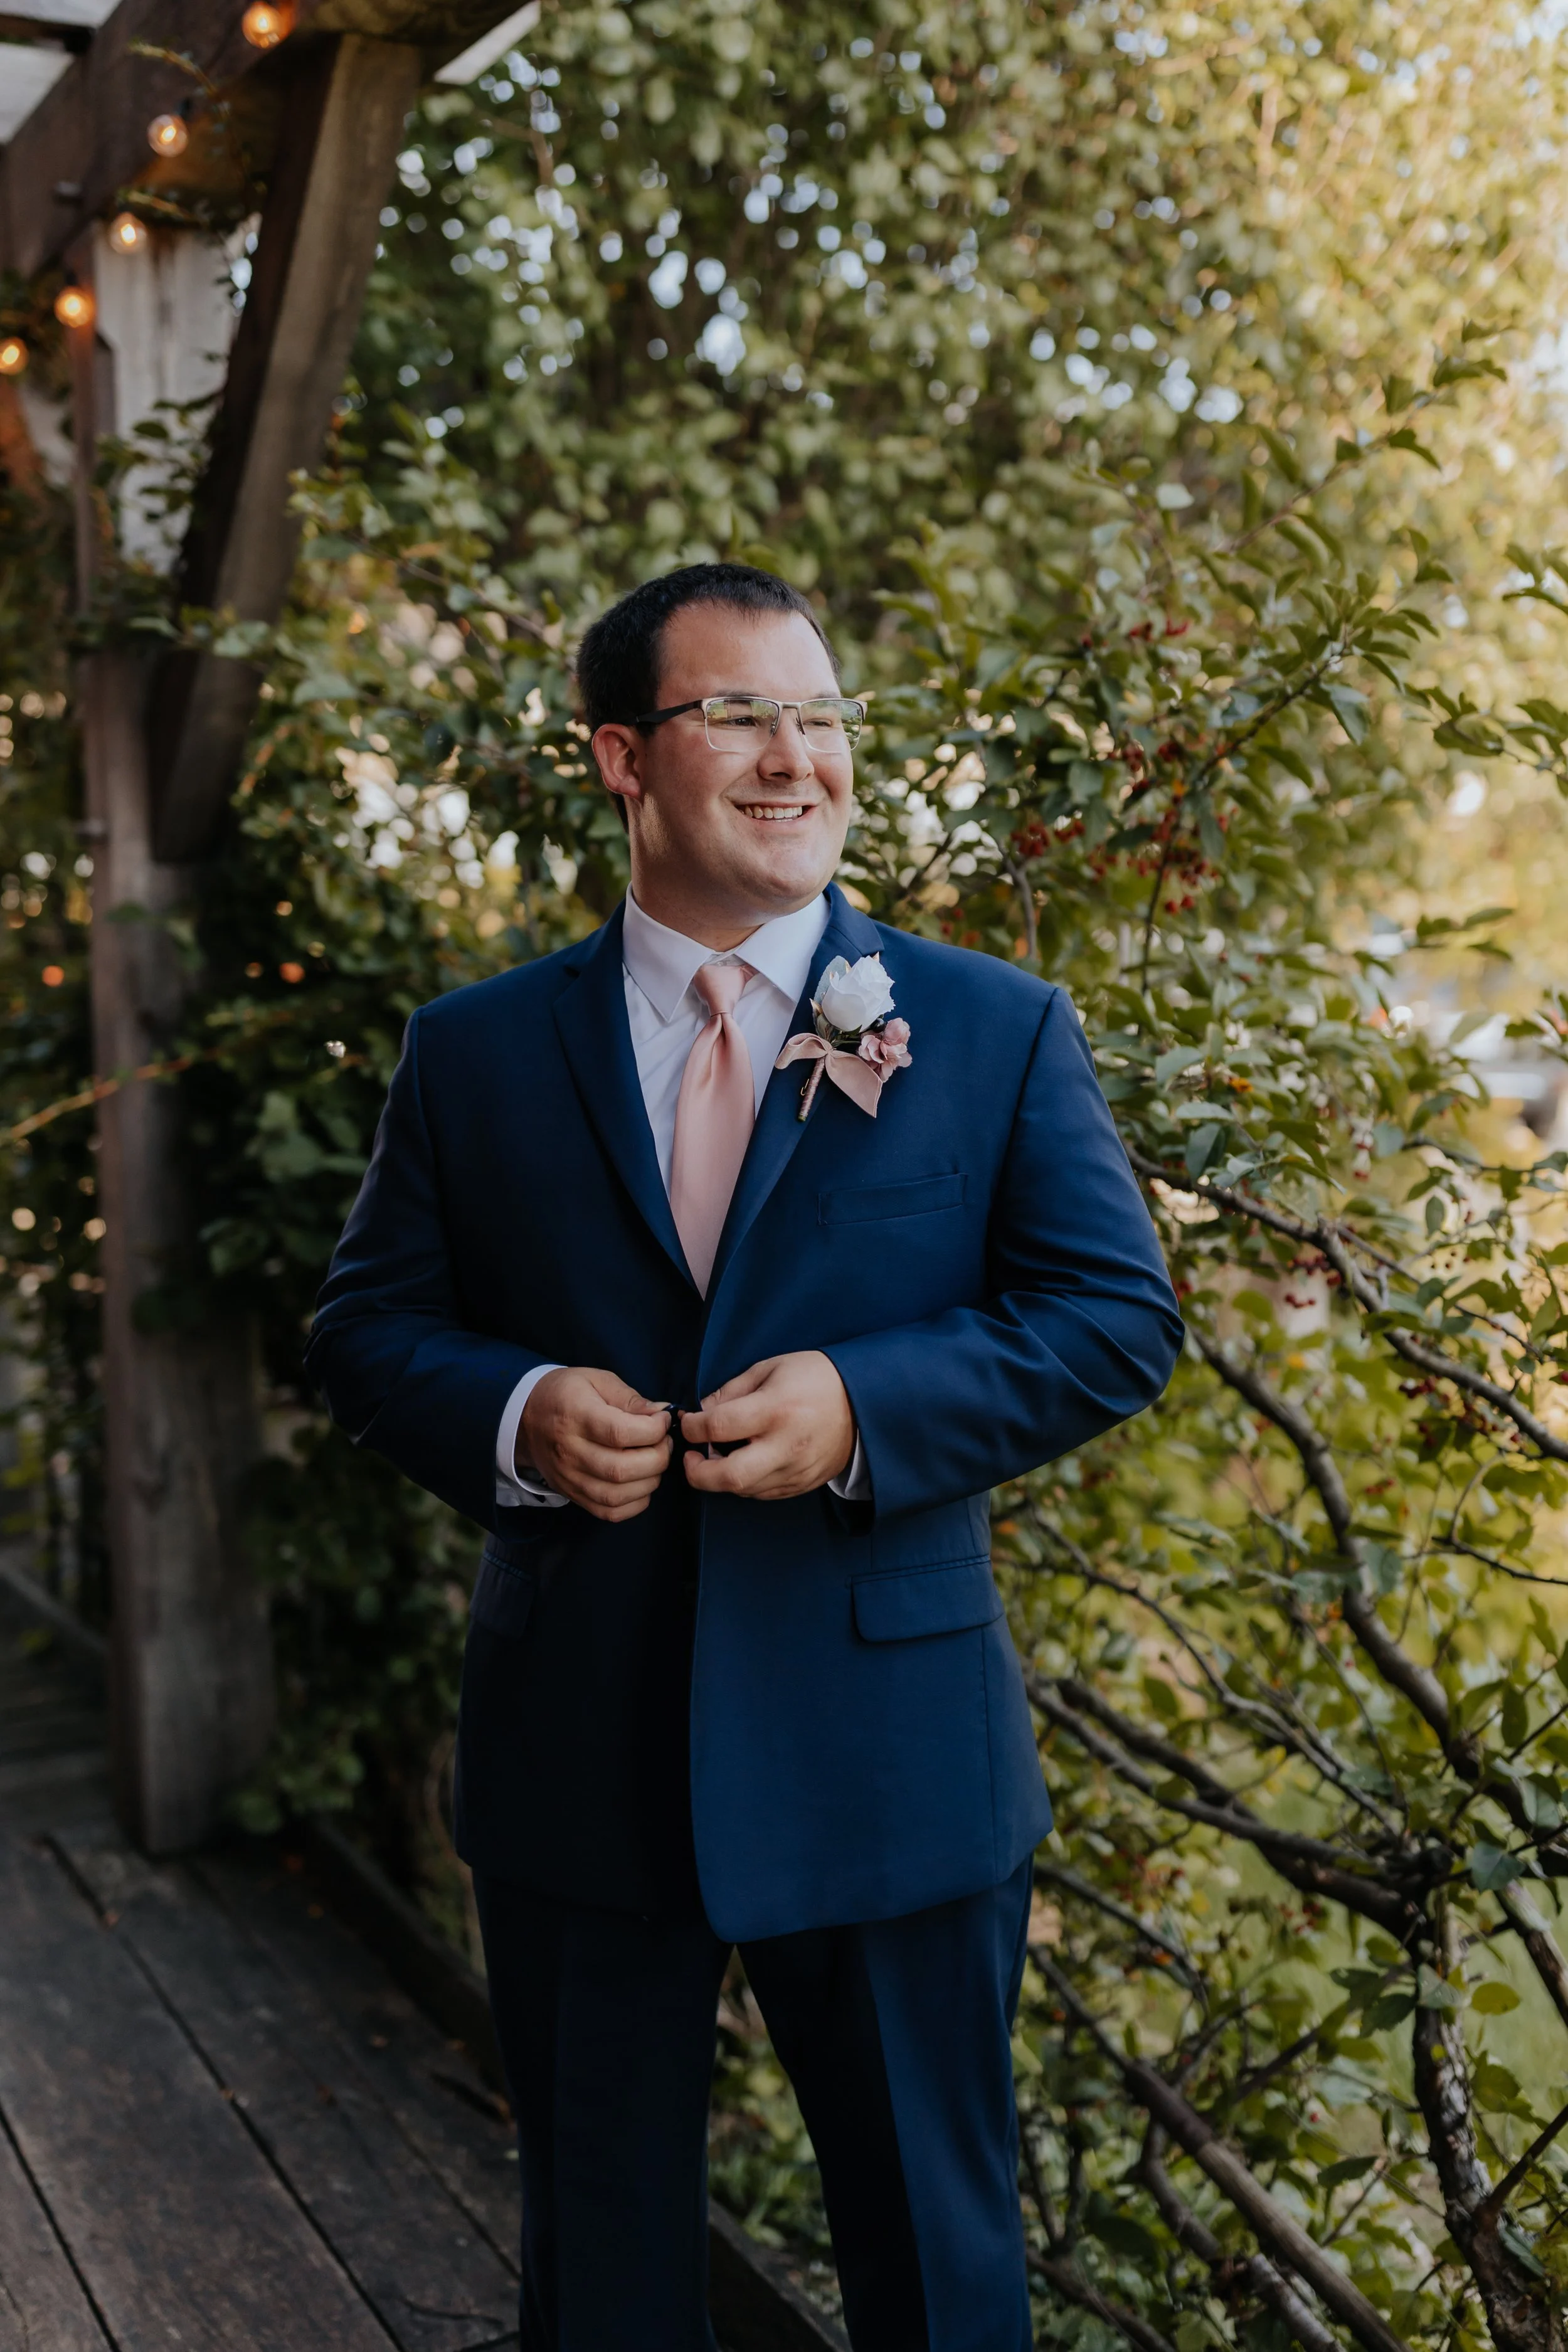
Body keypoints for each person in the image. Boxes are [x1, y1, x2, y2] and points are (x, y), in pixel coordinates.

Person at [306, 563, 1183, 2352]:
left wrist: (867, 1407)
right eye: (739, 715)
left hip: (889, 1757)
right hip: (577, 1750)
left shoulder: (990, 1028)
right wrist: (518, 1413)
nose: (797, 757)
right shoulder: (471, 1055)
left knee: (937, 2277)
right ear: (621, 756)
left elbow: (1112, 1317)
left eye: (823, 714)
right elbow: (363, 1333)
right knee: (603, 2270)